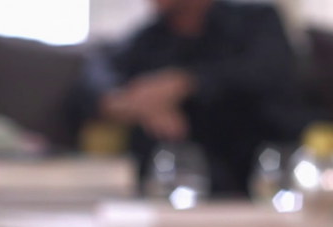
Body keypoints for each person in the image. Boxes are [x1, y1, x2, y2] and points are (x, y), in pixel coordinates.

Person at [75, 0, 315, 197]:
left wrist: (184, 83)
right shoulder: (149, 39)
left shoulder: (258, 20)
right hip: (178, 181)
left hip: (257, 164)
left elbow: (267, 72)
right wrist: (128, 103)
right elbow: (95, 75)